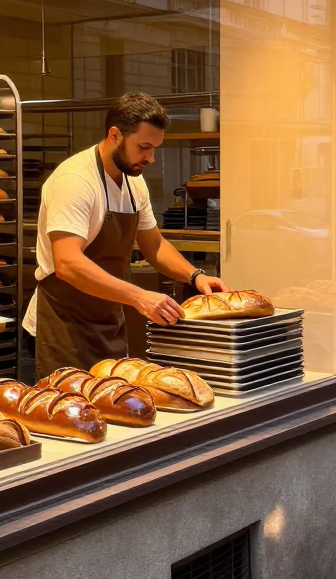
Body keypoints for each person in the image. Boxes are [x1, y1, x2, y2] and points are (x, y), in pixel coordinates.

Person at [23, 92, 229, 376]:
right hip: (63, 328)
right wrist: (139, 297)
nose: (151, 158)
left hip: (108, 321)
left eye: (155, 148)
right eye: (144, 147)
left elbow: (154, 244)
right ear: (115, 135)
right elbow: (68, 263)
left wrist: (196, 276)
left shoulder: (134, 183)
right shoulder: (75, 181)